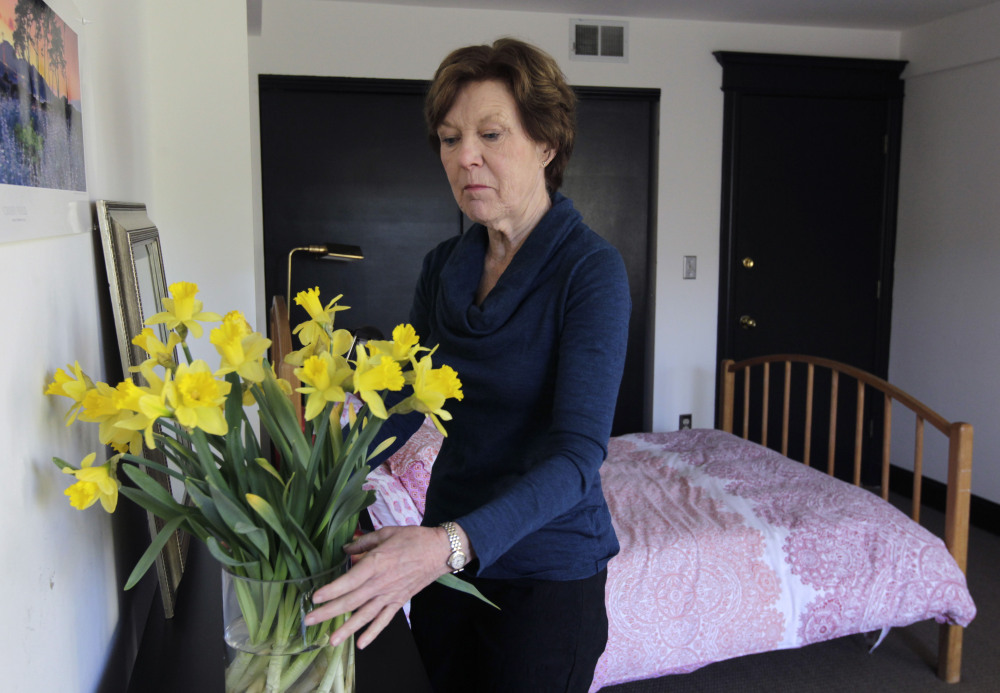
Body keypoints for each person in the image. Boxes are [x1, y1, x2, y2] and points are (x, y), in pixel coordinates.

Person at [304, 37, 631, 692]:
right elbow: (402, 404)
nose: (465, 158)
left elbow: (575, 457)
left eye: (489, 133)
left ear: (546, 144)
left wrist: (447, 542)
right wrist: (324, 462)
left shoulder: (590, 272)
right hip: (448, 562)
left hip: (544, 571)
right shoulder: (444, 267)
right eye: (450, 139)